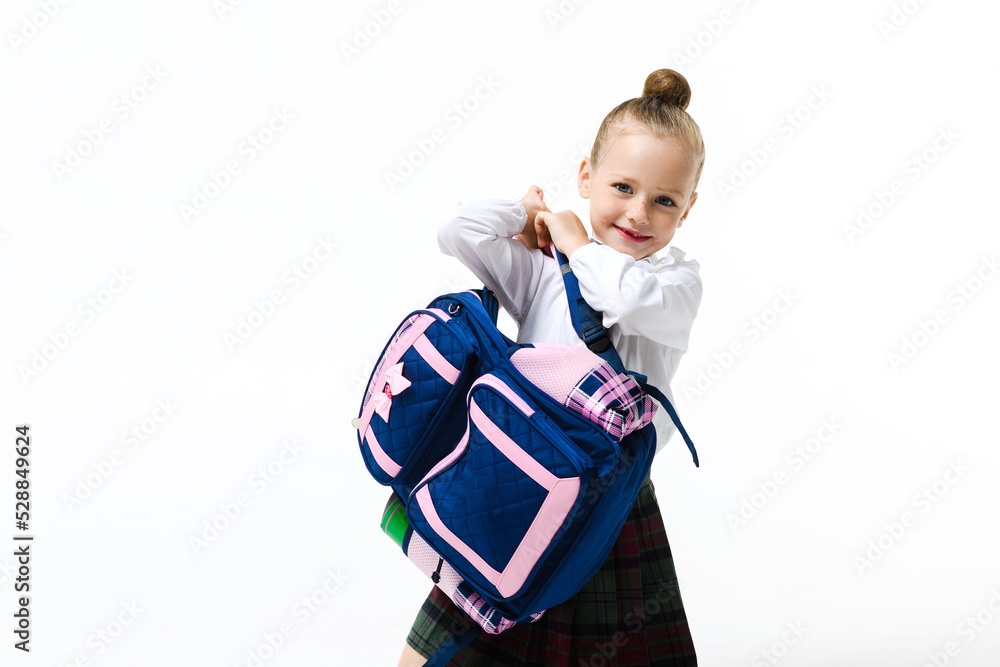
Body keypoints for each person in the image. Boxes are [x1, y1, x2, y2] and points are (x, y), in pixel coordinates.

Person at [397, 67, 706, 667]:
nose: (639, 212)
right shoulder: (545, 272)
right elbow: (455, 232)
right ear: (586, 178)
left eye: (664, 200)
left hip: (606, 498)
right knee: (431, 653)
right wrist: (523, 214)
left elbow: (624, 299)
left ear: (687, 209)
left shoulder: (674, 283)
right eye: (622, 186)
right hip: (516, 477)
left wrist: (578, 244)